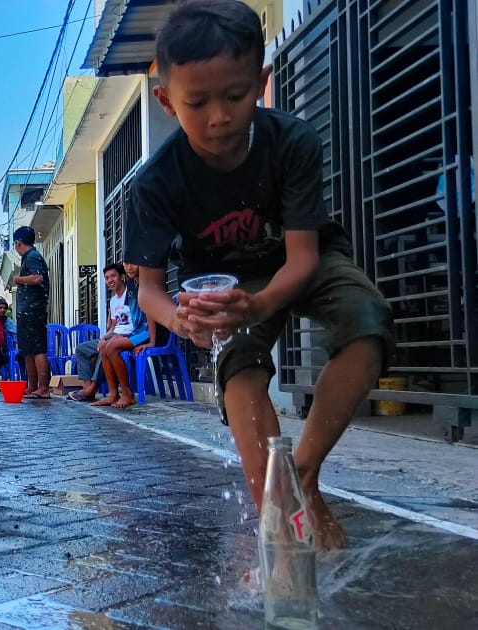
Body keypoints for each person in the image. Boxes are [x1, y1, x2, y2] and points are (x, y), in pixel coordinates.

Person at [129, 0, 394, 550]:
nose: (219, 116)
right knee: (241, 373)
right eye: (197, 102)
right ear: (166, 101)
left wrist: (263, 303)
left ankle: (301, 473)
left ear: (262, 82)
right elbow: (149, 290)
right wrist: (181, 321)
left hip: (305, 261)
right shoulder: (156, 182)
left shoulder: (292, 141)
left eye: (235, 95)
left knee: (367, 323)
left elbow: (301, 256)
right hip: (223, 284)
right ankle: (281, 532)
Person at [67, 263, 151, 404]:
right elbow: (113, 326)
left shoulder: (132, 294)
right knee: (82, 349)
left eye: (113, 276)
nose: (110, 280)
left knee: (107, 347)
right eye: (106, 278)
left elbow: (143, 320)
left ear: (122, 277)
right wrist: (104, 337)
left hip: (130, 334)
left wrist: (112, 338)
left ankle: (96, 388)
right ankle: (89, 389)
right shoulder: (113, 301)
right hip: (115, 335)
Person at [92, 263, 155, 408]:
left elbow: (150, 313)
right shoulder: (133, 287)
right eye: (126, 264)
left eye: (133, 264)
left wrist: (152, 340)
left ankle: (127, 394)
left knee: (112, 347)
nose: (130, 267)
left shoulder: (142, 286)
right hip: (136, 332)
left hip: (144, 332)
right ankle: (113, 394)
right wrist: (110, 335)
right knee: (105, 347)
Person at [11, 226, 51, 399]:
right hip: (26, 311)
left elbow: (37, 277)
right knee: (27, 350)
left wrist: (17, 279)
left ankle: (43, 387)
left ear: (18, 242)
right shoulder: (27, 257)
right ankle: (32, 386)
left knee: (37, 349)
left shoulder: (33, 256)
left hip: (34, 311)